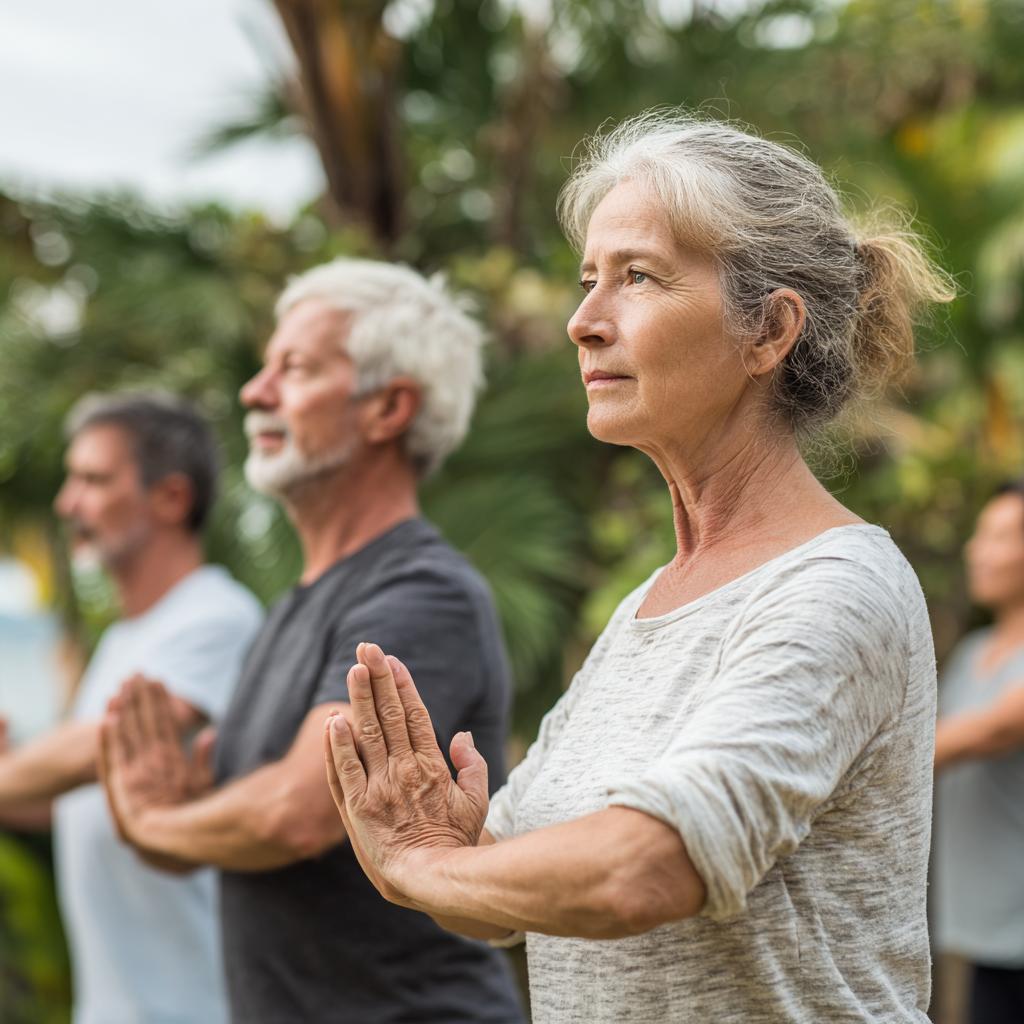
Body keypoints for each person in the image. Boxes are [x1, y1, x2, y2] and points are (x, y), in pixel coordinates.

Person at [321, 111, 957, 1023]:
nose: (584, 322)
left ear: (769, 331)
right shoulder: (647, 610)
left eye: (637, 277)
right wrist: (455, 843)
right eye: (588, 280)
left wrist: (432, 866)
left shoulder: (838, 588)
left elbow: (644, 870)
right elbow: (506, 899)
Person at [100, 259, 526, 1024]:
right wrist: (186, 817)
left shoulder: (419, 594)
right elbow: (247, 821)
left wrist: (155, 823)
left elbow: (294, 814)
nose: (255, 392)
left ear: (388, 407)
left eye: (293, 368)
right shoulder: (293, 608)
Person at [0, 392, 263, 1024]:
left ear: (171, 497)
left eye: (93, 479)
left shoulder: (215, 615)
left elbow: (105, 745)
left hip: (198, 1007)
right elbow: (81, 797)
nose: (69, 503)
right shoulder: (122, 639)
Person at [932, 482, 1024, 1023]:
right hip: (983, 932)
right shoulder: (973, 653)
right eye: (979, 534)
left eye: (1000, 536)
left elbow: (980, 735)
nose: (976, 550)